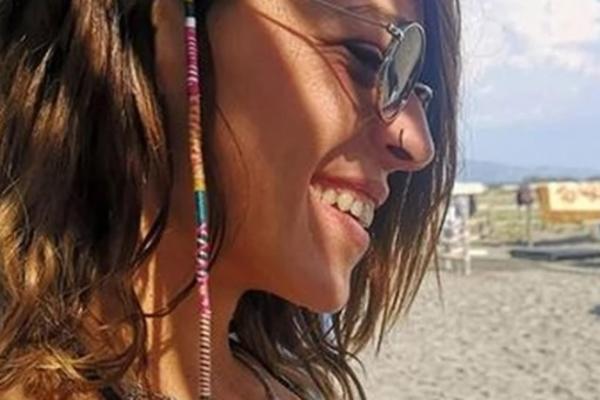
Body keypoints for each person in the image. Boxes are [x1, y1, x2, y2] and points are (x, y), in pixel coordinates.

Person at [0, 0, 460, 398]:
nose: (420, 144)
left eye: (414, 89)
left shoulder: (299, 385)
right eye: (366, 57)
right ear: (167, 29)